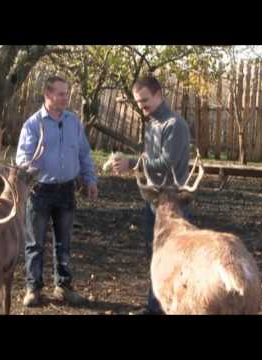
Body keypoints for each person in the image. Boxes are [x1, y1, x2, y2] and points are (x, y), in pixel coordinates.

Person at [111, 75, 191, 314]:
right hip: (154, 202)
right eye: (138, 102)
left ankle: (177, 307)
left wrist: (133, 162)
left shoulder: (174, 125)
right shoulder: (153, 123)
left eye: (145, 100)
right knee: (156, 255)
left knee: (176, 258)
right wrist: (132, 164)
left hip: (174, 203)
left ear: (158, 94)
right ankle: (155, 306)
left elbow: (166, 163)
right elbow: (150, 160)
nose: (141, 105)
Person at [16, 76, 98, 307]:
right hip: (40, 191)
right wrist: (33, 162)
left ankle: (63, 286)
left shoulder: (73, 122)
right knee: (35, 243)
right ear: (48, 95)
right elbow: (22, 160)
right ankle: (33, 288)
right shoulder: (32, 125)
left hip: (66, 190)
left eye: (67, 93)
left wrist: (90, 180)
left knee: (64, 241)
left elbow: (84, 154)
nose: (66, 97)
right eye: (61, 93)